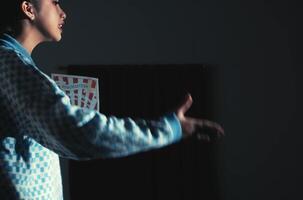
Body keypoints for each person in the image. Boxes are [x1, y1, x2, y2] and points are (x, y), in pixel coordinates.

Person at [0, 0, 224, 199]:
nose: (63, 12)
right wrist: (169, 129)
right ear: (28, 8)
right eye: (55, 2)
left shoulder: (14, 64)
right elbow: (77, 132)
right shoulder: (8, 63)